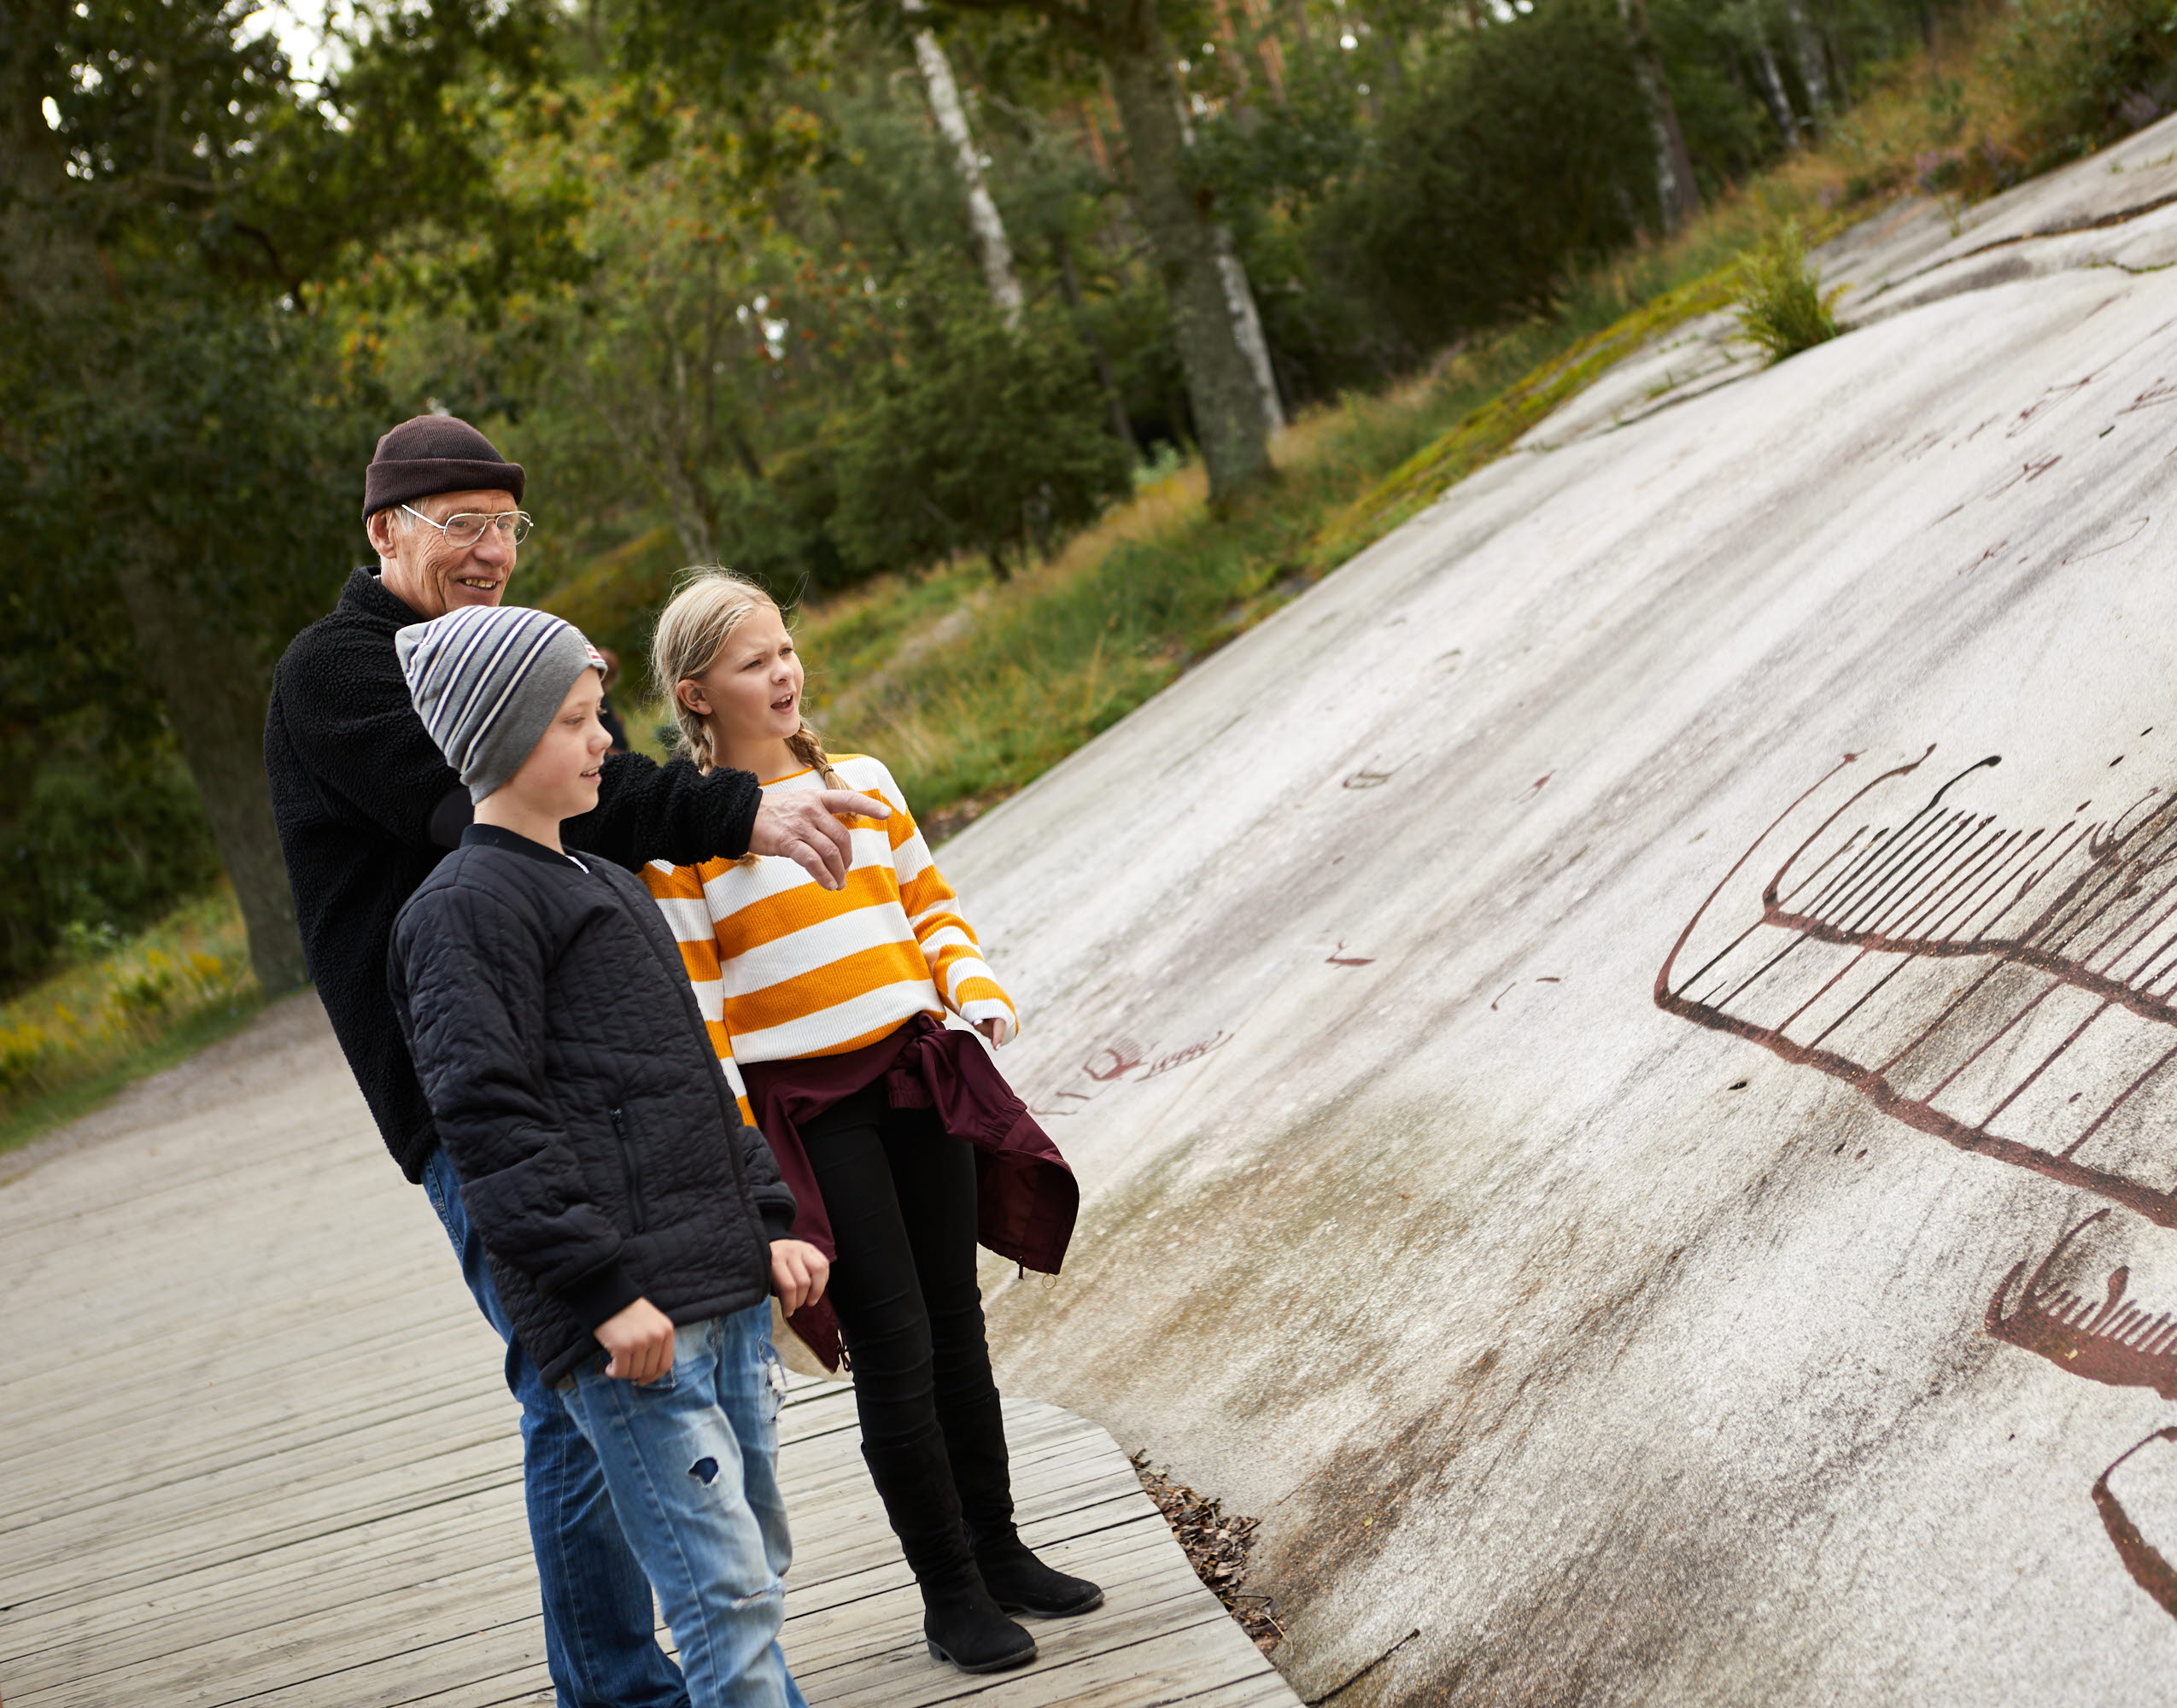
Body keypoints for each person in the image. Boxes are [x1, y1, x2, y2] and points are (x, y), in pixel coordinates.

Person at [262, 414, 888, 1708]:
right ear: (383, 531)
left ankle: (653, 1667)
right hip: (470, 1096)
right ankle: (616, 1688)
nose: (492, 552)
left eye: (507, 526)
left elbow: (579, 793)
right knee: (574, 1381)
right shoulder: (346, 674)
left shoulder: (488, 662)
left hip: (595, 1087)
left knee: (632, 1382)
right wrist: (739, 808)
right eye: (461, 525)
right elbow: (515, 806)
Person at [641, 570, 1092, 1676]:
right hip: (810, 1110)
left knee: (956, 1326)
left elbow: (928, 907)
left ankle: (1001, 1551)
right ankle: (950, 1597)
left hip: (913, 1072)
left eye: (786, 650)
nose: (785, 673)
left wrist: (969, 982)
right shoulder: (684, 841)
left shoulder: (864, 783)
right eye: (755, 663)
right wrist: (745, 1154)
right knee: (893, 1346)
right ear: (698, 695)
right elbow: (702, 1015)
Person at [387, 603, 827, 1708]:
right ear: (498, 739)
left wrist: (767, 1225)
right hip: (633, 1328)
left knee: (757, 1573)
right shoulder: (460, 913)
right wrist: (599, 1292)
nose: (604, 746)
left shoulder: (609, 884)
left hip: (719, 1290)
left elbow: (691, 1079)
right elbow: (490, 1125)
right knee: (717, 1593)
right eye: (578, 723)